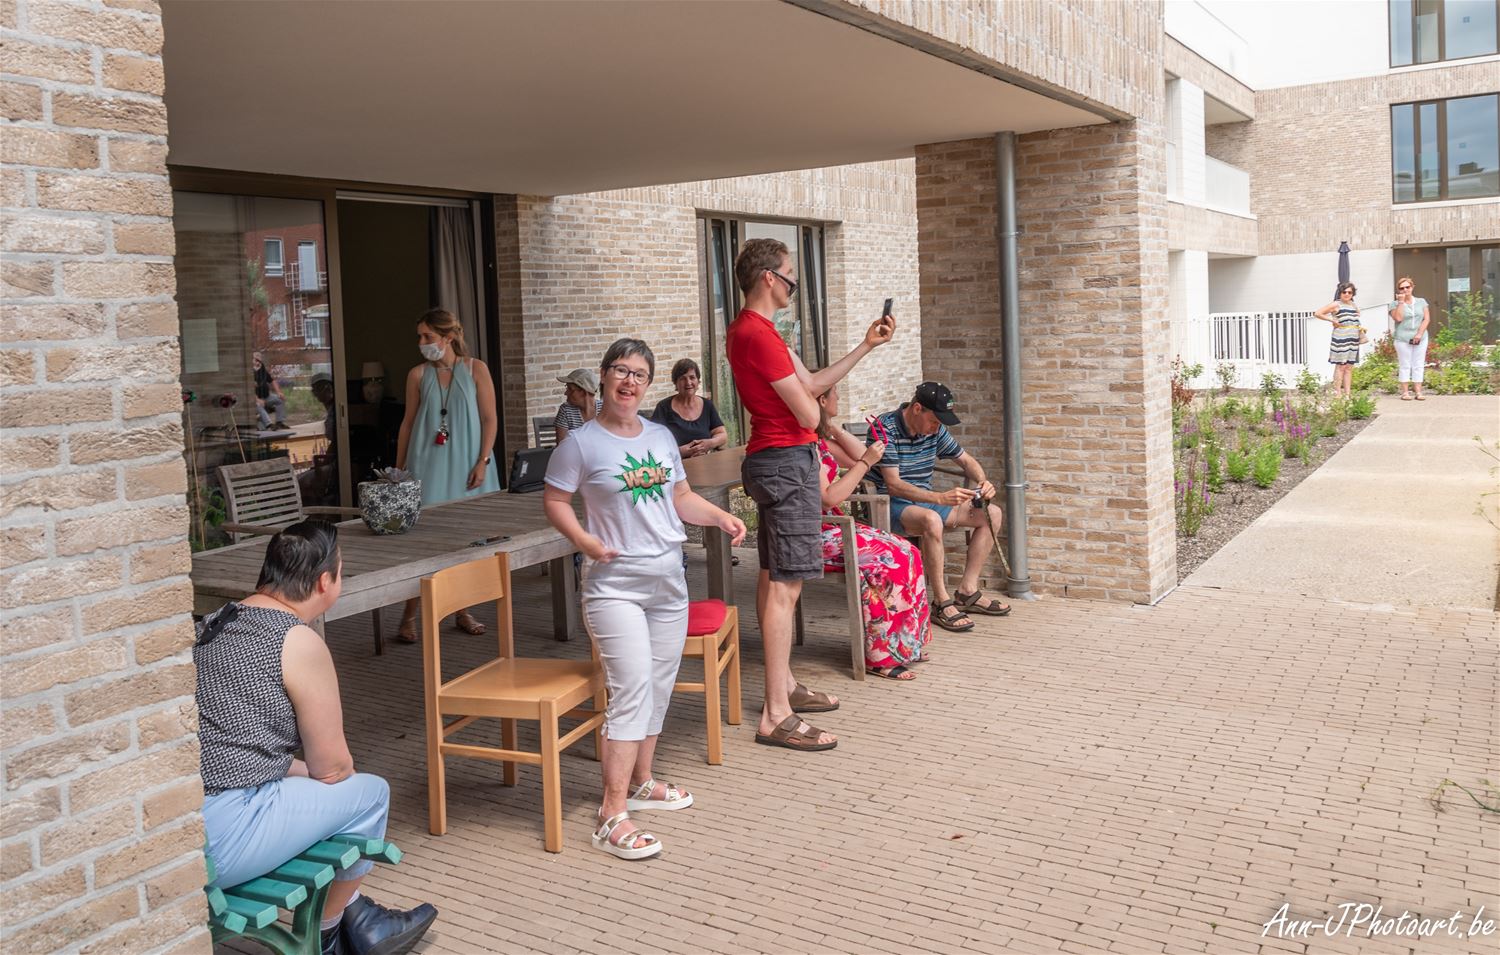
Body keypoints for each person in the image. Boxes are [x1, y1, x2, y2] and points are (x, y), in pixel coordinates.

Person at [542, 338, 746, 860]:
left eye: (638, 374)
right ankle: (610, 815)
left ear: (648, 384)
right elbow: (555, 500)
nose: (628, 381)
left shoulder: (659, 437)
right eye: (620, 370)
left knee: (657, 684)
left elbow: (680, 497)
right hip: (614, 587)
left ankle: (641, 781)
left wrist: (719, 517)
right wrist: (584, 540)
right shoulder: (581, 444)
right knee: (631, 689)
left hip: (668, 581)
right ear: (603, 376)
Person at [195, 520, 438, 955]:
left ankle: (361, 920)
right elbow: (333, 768)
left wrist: (302, 772)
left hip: (189, 823)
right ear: (325, 581)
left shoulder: (216, 622)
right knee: (370, 794)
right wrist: (327, 774)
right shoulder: (296, 640)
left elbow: (237, 748)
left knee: (323, 790)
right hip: (225, 839)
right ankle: (327, 936)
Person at [726, 236, 894, 752]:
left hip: (777, 460)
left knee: (774, 577)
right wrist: (816, 408)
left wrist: (867, 346)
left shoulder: (760, 332)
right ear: (769, 278)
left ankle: (784, 687)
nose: (795, 284)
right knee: (786, 587)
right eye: (791, 277)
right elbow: (806, 411)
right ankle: (775, 714)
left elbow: (815, 383)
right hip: (786, 462)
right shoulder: (756, 335)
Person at [867, 381, 1010, 634]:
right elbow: (894, 485)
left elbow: (966, 461)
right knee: (932, 519)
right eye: (934, 421)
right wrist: (940, 498)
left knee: (992, 513)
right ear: (917, 409)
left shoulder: (936, 430)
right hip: (890, 504)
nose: (937, 427)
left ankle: (967, 591)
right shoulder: (885, 428)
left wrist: (983, 481)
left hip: (928, 502)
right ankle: (941, 602)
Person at [395, 308, 500, 641]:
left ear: (449, 336)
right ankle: (409, 615)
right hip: (426, 464)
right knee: (423, 544)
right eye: (419, 336)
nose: (421, 342)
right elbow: (408, 423)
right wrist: (398, 471)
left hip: (469, 463)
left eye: (428, 336)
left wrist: (483, 461)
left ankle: (462, 610)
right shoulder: (416, 375)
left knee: (466, 541)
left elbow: (490, 419)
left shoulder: (476, 369)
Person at [815, 383, 931, 680]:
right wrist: (866, 461)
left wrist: (832, 427)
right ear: (822, 400)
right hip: (815, 532)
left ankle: (906, 644)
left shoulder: (819, 440)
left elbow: (863, 458)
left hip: (834, 525)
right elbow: (829, 497)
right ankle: (880, 657)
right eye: (835, 394)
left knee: (908, 551)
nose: (839, 397)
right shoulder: (805, 447)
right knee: (886, 561)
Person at [652, 358, 727, 458]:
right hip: (676, 464)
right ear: (676, 383)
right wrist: (679, 452)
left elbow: (722, 434)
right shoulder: (663, 407)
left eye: (692, 377)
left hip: (706, 462)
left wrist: (709, 443)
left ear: (698, 381)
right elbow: (653, 443)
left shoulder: (707, 405)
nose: (688, 382)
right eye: (682, 378)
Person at [1314, 282, 1362, 398]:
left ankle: (1347, 394)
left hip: (1353, 339)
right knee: (1341, 366)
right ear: (1340, 293)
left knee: (1349, 367)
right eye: (1344, 292)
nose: (1347, 294)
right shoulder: (1336, 304)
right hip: (1341, 338)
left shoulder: (1353, 305)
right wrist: (1332, 320)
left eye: (1350, 292)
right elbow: (1318, 313)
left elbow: (1357, 316)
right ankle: (1338, 393)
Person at [1389, 276, 1431, 401]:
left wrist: (1419, 334)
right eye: (1402, 288)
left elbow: (1426, 319)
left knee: (1418, 364)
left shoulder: (1421, 302)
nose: (1405, 290)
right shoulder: (1394, 304)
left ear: (1412, 287)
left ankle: (1418, 392)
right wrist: (1401, 302)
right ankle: (1405, 392)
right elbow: (1398, 318)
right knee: (1405, 364)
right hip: (1403, 338)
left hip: (1420, 337)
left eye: (1407, 287)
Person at [553, 368, 602, 442]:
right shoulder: (566, 410)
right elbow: (562, 445)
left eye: (570, 389)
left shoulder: (605, 409)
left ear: (584, 392)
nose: (565, 393)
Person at [253, 351, 287, 430]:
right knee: (258, 405)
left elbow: (272, 381)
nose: (258, 362)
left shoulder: (262, 369)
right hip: (255, 399)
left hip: (267, 396)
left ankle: (279, 422)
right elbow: (248, 390)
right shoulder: (248, 372)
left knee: (280, 399)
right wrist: (257, 399)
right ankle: (269, 424)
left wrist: (279, 392)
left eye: (259, 360)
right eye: (256, 360)